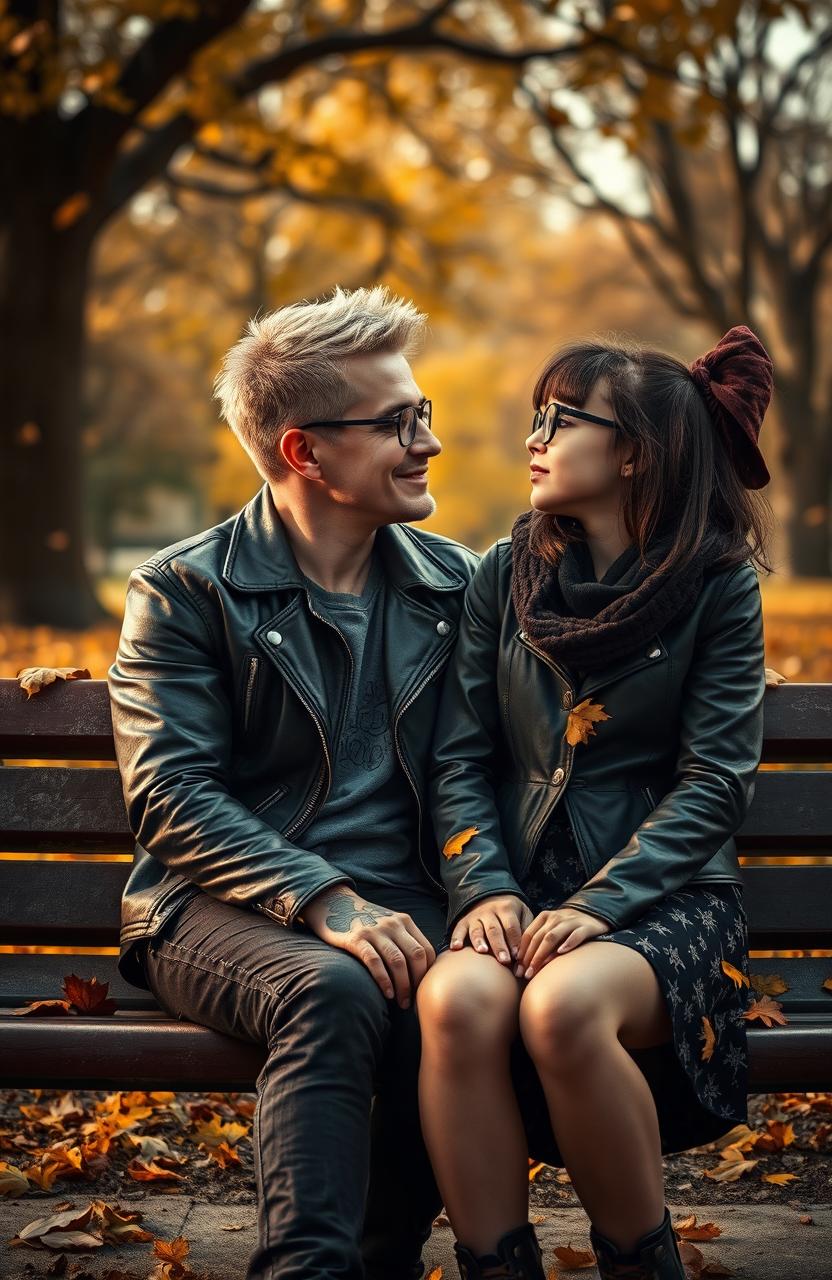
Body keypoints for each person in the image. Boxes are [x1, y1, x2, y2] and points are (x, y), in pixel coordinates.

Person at [107, 285, 479, 1280]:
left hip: (404, 905)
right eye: (397, 423)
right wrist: (324, 896)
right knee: (332, 986)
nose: (426, 443)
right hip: (218, 904)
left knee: (442, 992)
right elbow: (171, 796)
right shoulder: (187, 590)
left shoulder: (459, 587)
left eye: (424, 412)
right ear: (305, 452)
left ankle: (381, 1258)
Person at [415, 325, 775, 1280]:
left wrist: (600, 906)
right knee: (454, 1001)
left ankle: (638, 1264)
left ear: (631, 453)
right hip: (520, 888)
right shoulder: (505, 573)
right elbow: (460, 759)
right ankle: (500, 1267)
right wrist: (483, 888)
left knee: (563, 1008)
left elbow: (715, 783)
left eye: (560, 418)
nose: (533, 435)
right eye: (536, 415)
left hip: (661, 896)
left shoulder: (717, 587)